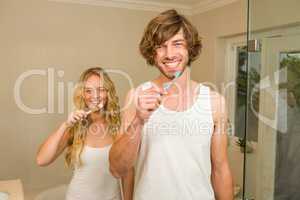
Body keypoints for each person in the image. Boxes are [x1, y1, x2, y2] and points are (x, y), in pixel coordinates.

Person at [109, 9, 233, 200]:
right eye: (161, 46)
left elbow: (221, 169)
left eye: (177, 44)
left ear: (189, 48)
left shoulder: (215, 102)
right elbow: (117, 169)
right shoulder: (136, 97)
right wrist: (139, 121)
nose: (169, 54)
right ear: (152, 52)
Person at [36, 67, 133, 200]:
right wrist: (65, 125)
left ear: (108, 92)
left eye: (100, 89)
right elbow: (42, 160)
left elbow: (127, 172)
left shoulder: (120, 126)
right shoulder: (76, 126)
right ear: (83, 94)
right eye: (88, 91)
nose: (95, 96)